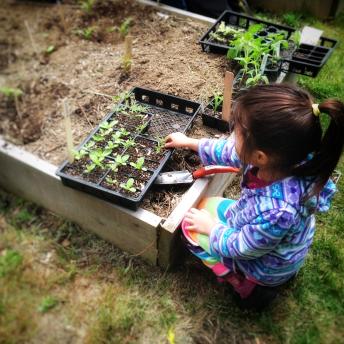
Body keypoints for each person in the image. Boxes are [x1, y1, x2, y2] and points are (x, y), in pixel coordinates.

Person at [165, 83, 344, 309]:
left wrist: (212, 229)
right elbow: (228, 151)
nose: (232, 138)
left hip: (264, 265)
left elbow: (243, 247)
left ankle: (243, 283)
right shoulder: (285, 157)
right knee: (204, 206)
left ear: (260, 157)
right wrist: (191, 143)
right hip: (255, 225)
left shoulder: (279, 210)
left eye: (237, 133)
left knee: (189, 231)